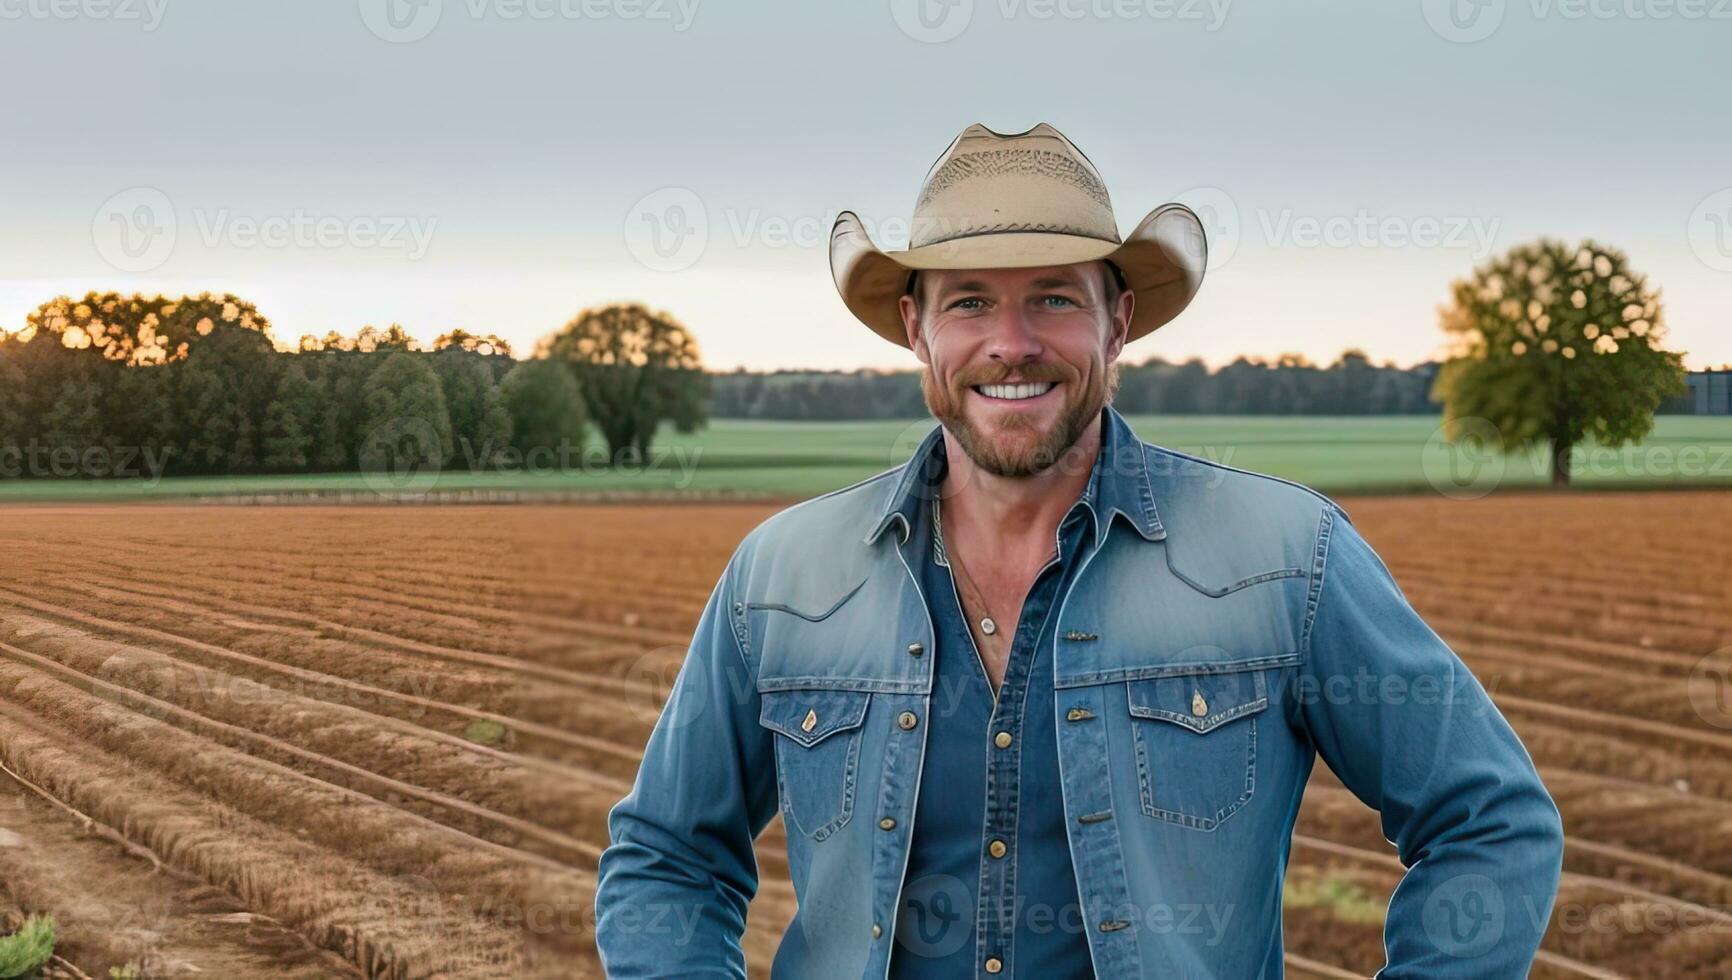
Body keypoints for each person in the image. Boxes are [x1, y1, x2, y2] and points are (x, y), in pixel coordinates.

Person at [594, 122, 1564, 978]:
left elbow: (1490, 820)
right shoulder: (783, 576)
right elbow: (667, 854)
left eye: (1053, 299)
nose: (1010, 342)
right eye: (969, 301)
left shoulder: (1285, 558)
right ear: (914, 326)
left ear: (1118, 320)